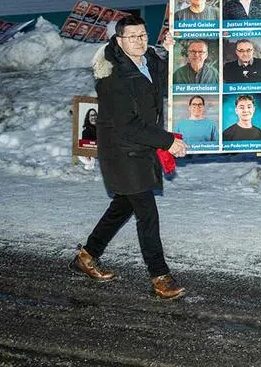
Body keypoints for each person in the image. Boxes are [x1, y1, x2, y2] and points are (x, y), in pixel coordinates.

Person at [70, 16, 188, 300]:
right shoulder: (112, 77)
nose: (140, 41)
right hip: (122, 150)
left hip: (140, 146)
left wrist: (170, 53)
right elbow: (127, 124)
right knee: (146, 212)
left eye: (144, 35)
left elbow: (161, 79)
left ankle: (87, 256)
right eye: (133, 36)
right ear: (119, 40)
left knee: (123, 205)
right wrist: (167, 141)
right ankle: (160, 276)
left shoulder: (146, 58)